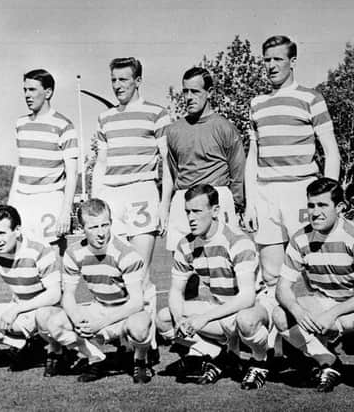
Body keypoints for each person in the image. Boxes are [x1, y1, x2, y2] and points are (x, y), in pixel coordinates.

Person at [243, 35, 341, 314]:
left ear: (292, 61)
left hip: (301, 192)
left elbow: (331, 151)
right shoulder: (257, 103)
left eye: (278, 59)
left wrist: (328, 197)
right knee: (271, 273)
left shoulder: (311, 98)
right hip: (266, 193)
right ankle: (278, 347)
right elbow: (253, 156)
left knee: (312, 269)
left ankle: (318, 340)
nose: (271, 66)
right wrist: (250, 203)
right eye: (267, 60)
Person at [274, 179, 354, 395]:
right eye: (311, 205)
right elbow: (282, 288)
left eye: (322, 205)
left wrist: (333, 313)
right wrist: (297, 311)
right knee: (281, 314)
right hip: (324, 303)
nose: (315, 212)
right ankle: (328, 361)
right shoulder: (300, 239)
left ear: (339, 208)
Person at [156, 184, 267, 388]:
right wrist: (181, 319)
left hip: (254, 309)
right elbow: (175, 291)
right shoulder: (185, 244)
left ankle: (260, 361)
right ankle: (216, 353)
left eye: (197, 211)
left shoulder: (237, 241)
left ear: (215, 211)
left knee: (246, 320)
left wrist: (202, 319)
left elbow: (247, 297)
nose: (190, 218)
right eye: (187, 211)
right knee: (164, 318)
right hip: (221, 309)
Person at [44, 198, 154, 383]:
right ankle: (95, 357)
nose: (101, 232)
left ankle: (140, 360)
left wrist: (101, 324)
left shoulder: (127, 253)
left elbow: (136, 302)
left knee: (140, 327)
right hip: (99, 306)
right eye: (93, 227)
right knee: (56, 323)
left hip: (126, 310)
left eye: (105, 225)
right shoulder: (73, 253)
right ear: (82, 229)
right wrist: (78, 320)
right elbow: (68, 296)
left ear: (111, 223)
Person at [92, 57, 170, 303]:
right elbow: (101, 163)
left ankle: (146, 339)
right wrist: (95, 202)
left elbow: (168, 162)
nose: (117, 85)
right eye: (113, 80)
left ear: (138, 81)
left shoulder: (156, 113)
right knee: (116, 271)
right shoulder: (105, 118)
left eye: (123, 79)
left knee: (140, 273)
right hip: (111, 195)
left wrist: (165, 203)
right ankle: (125, 336)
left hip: (141, 193)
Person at [0, 205, 62, 374]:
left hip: (45, 308)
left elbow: (54, 294)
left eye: (2, 233)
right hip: (18, 305)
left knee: (27, 322)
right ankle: (23, 344)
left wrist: (17, 309)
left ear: (18, 230)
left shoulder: (39, 250)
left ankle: (56, 350)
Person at [160, 67, 245, 252]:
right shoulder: (173, 130)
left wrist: (237, 205)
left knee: (222, 263)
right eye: (185, 91)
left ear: (210, 93)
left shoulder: (225, 127)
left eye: (195, 91)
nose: (189, 97)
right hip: (184, 199)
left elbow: (238, 171)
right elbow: (174, 169)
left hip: (217, 198)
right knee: (183, 266)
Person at [8, 69, 79, 251]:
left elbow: (72, 174)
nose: (27, 95)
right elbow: (21, 166)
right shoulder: (21, 124)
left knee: (53, 264)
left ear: (48, 92)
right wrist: (11, 204)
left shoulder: (64, 125)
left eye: (32, 90)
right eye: (25, 90)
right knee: (24, 259)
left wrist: (65, 211)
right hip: (22, 200)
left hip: (50, 199)